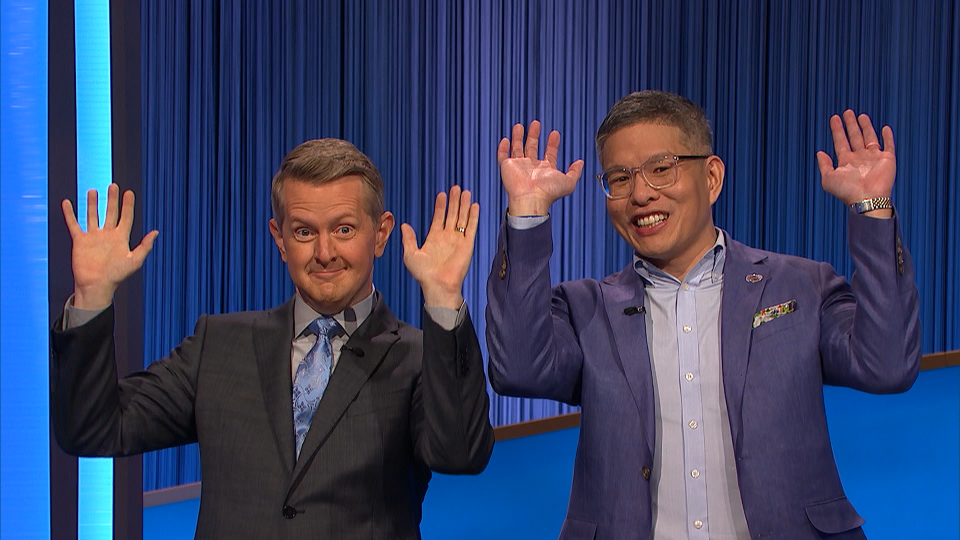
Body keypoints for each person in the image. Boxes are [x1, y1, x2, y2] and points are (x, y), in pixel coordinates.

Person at [485, 90, 920, 539]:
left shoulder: (800, 287)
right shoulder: (584, 310)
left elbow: (886, 365)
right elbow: (518, 367)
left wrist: (872, 209)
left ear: (711, 177)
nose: (639, 195)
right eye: (619, 178)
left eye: (660, 169)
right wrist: (527, 213)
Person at [51, 138, 495, 539]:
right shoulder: (219, 345)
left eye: (343, 229)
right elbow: (94, 430)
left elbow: (461, 454)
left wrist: (442, 298)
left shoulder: (417, 357)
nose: (325, 252)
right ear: (279, 239)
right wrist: (91, 299)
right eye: (304, 232)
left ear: (379, 234)